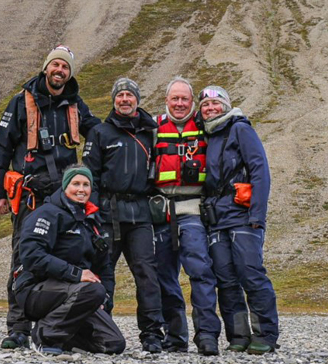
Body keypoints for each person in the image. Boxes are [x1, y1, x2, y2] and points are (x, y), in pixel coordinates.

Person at [0, 45, 101, 349]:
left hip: (66, 200)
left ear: (70, 72)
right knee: (23, 259)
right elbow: (1, 149)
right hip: (30, 198)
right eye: (55, 65)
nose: (59, 71)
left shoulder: (76, 105)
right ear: (46, 68)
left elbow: (100, 134)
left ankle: (61, 325)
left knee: (67, 258)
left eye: (65, 67)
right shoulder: (19, 103)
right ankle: (18, 327)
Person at [82, 78, 165, 353]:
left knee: (147, 274)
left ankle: (152, 334)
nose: (125, 100)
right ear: (113, 100)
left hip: (141, 214)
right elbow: (89, 175)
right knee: (103, 274)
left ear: (138, 100)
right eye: (120, 96)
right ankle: (99, 332)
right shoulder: (100, 132)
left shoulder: (150, 132)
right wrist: (91, 211)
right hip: (108, 213)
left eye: (130, 95)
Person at [199, 85, 279, 355]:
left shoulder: (240, 129)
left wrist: (257, 214)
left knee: (251, 275)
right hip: (216, 219)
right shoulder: (205, 136)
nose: (210, 109)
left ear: (225, 105)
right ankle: (238, 335)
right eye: (205, 106)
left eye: (215, 104)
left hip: (243, 217)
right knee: (226, 280)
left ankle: (265, 334)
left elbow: (260, 169)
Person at [13, 165, 125, 356]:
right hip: (36, 289)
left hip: (77, 294)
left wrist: (104, 301)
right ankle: (45, 334)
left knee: (113, 343)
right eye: (75, 183)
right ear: (65, 186)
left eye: (86, 184)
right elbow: (31, 256)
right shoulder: (46, 213)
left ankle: (64, 336)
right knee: (92, 289)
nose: (81, 189)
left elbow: (105, 267)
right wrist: (77, 274)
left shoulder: (91, 221)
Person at [152, 76, 221, 355]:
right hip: (161, 213)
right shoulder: (153, 128)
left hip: (193, 211)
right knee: (164, 275)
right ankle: (175, 337)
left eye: (184, 99)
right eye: (174, 99)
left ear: (192, 102)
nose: (179, 104)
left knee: (201, 272)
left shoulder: (206, 128)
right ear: (166, 101)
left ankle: (207, 335)